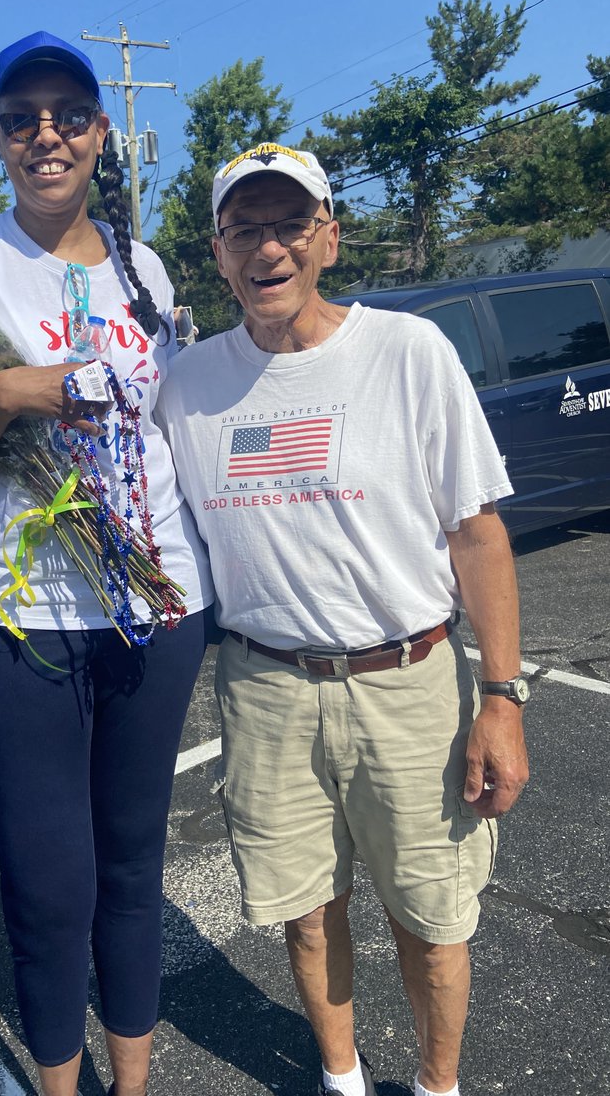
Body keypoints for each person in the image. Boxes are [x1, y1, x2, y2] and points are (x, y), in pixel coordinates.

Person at [156, 143, 529, 1096]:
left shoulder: (406, 352)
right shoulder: (187, 386)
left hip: (408, 684)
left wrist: (502, 699)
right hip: (266, 689)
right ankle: (343, 1077)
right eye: (245, 228)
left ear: (329, 235)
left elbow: (479, 536)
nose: (267, 247)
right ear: (218, 248)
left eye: (290, 223)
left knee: (432, 920)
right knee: (308, 914)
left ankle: (439, 1086)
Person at [0, 30, 213, 1096]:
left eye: (68, 113)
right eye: (22, 117)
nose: (46, 134)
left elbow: (167, 432)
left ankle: (135, 1084)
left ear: (100, 131)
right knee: (49, 878)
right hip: (14, 623)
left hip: (153, 615)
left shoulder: (143, 265)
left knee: (131, 865)